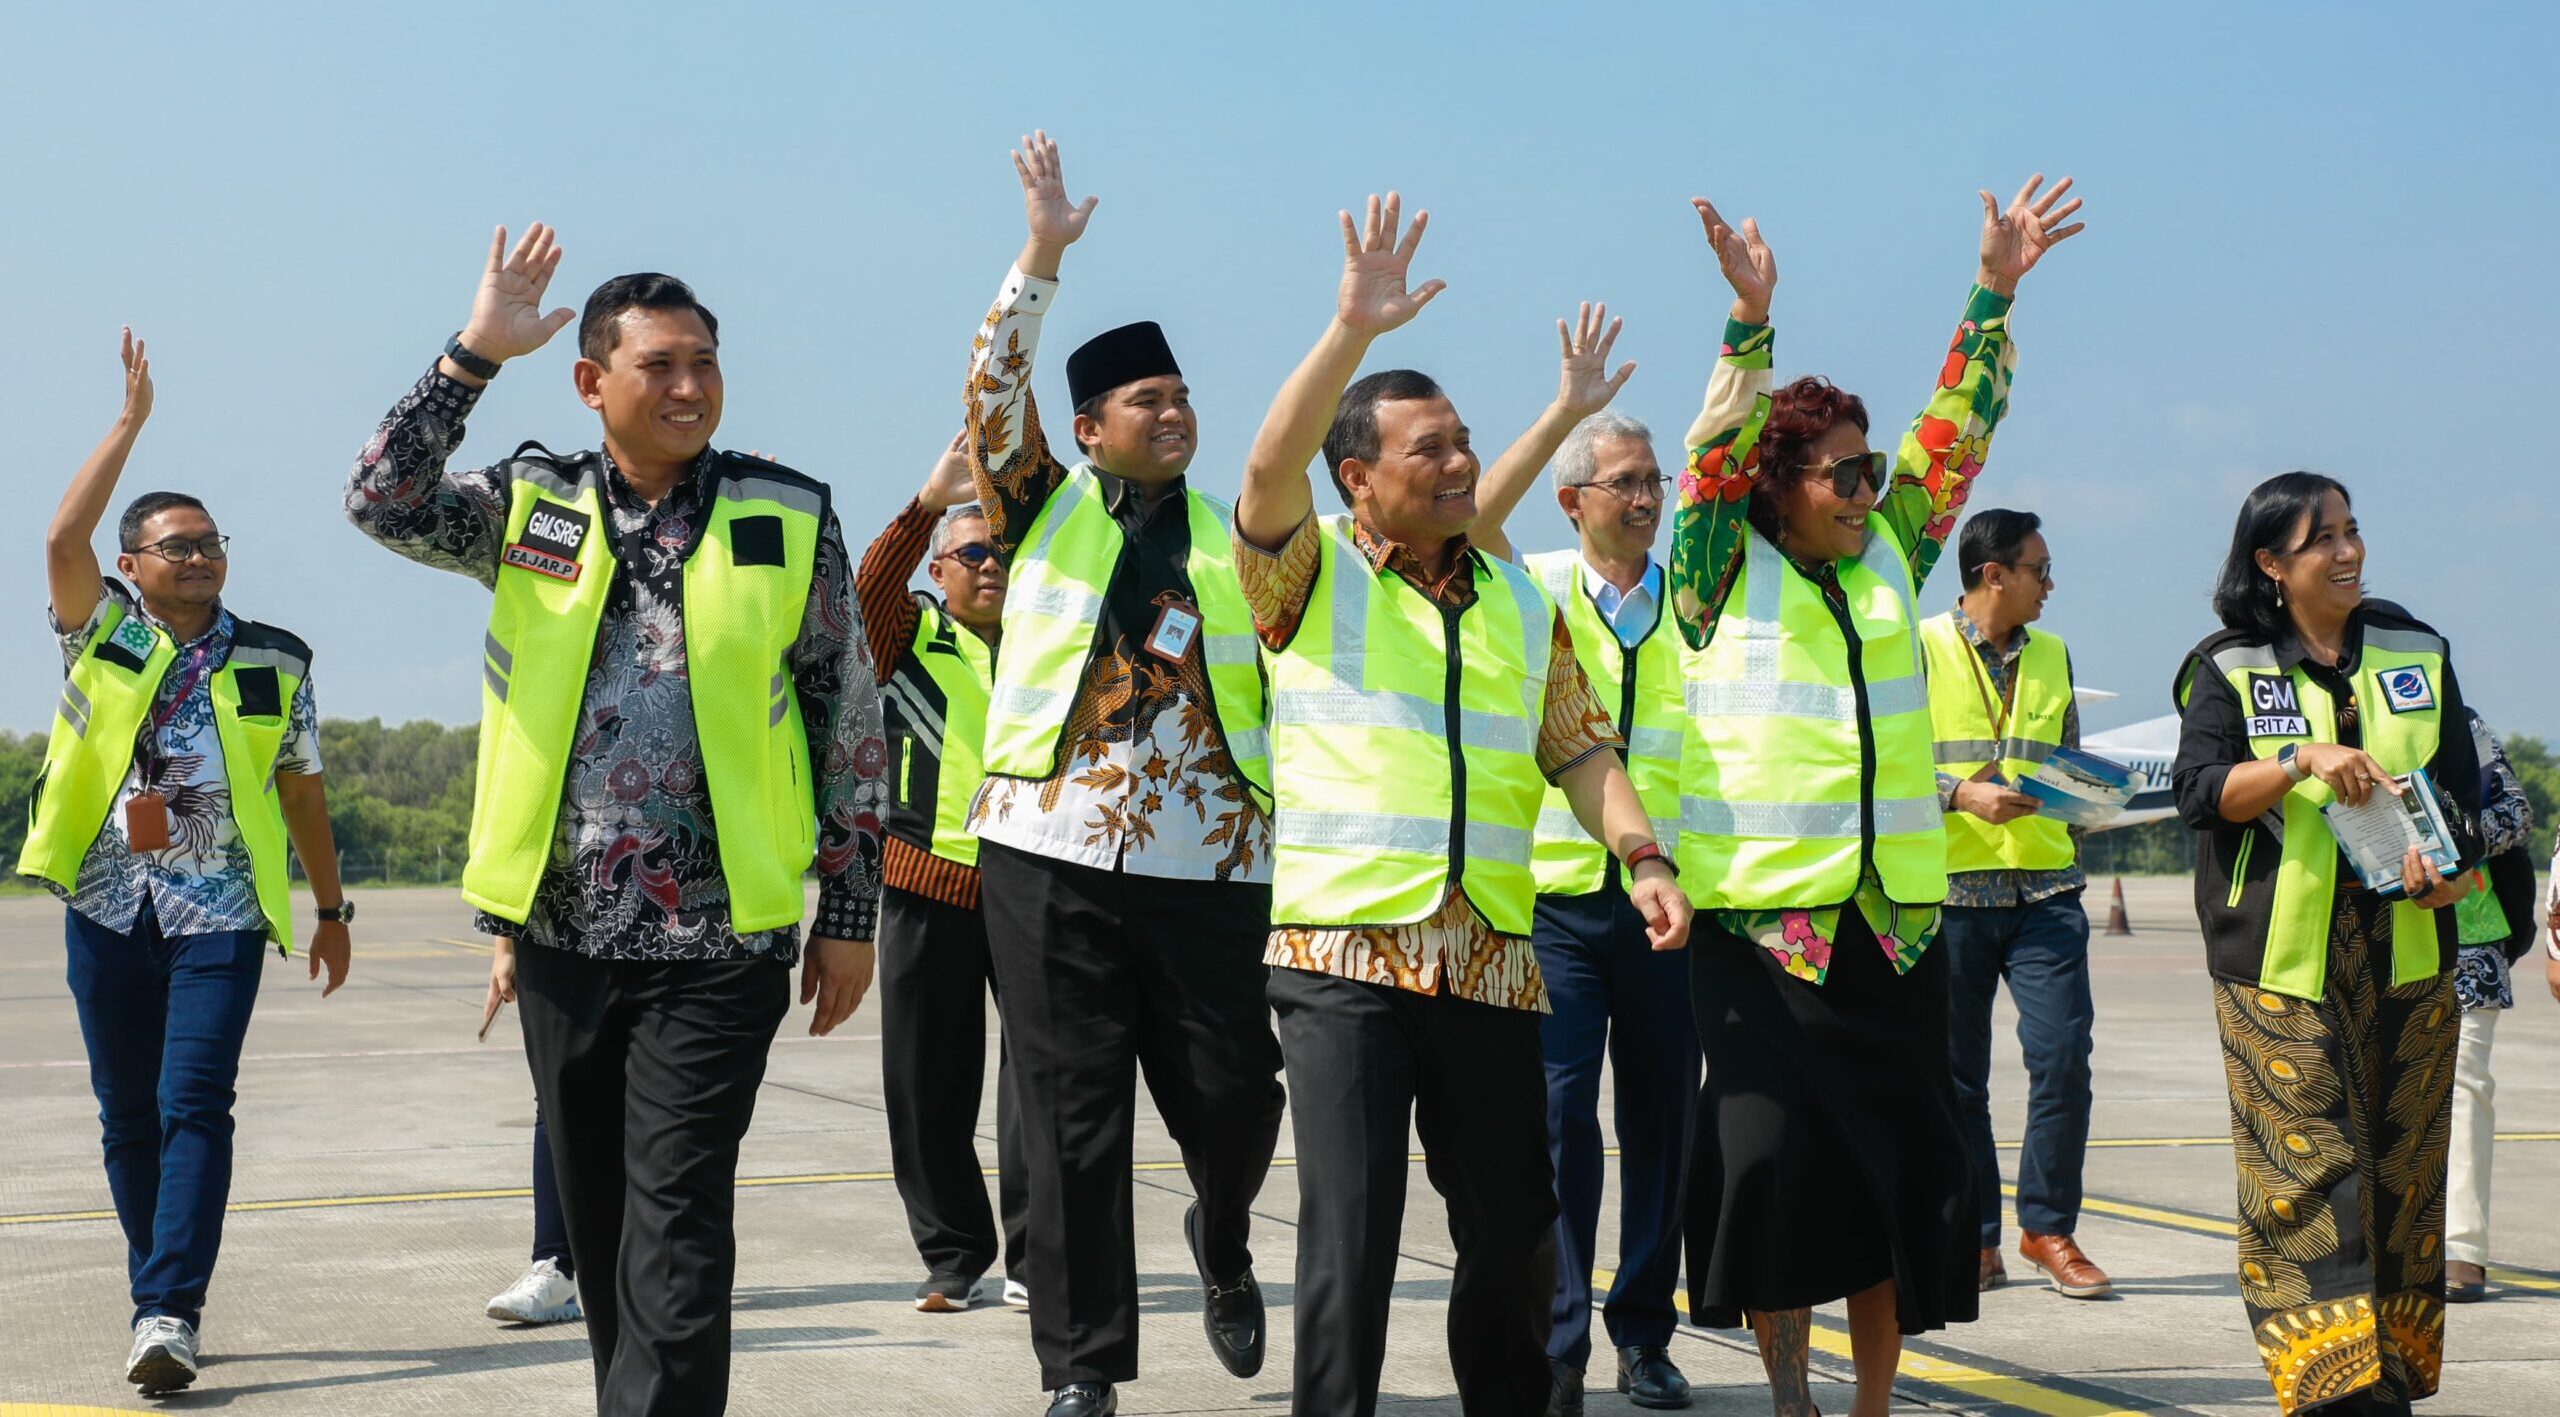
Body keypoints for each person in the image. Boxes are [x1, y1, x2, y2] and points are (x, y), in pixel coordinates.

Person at [347, 226, 888, 1417]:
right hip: (561, 931)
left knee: (678, 1218)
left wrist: (851, 914)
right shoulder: (532, 505)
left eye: (705, 362)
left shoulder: (784, 512)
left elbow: (845, 714)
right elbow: (380, 500)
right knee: (599, 1228)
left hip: (723, 936)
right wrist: (472, 356)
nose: (690, 386)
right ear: (592, 381)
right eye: (660, 366)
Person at [1233, 192, 1693, 1417]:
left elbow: (1579, 748)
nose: (1457, 465)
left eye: (1463, 444)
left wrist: (1642, 854)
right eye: (1427, 450)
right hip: (1344, 952)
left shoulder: (1518, 600)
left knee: (1516, 1229)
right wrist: (1347, 329)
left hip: (1490, 956)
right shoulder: (1305, 573)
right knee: (1354, 1233)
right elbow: (1265, 471)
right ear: (1357, 477)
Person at [1668, 178, 2084, 1417]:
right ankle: (1792, 1397)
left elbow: (1957, 429)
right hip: (1763, 935)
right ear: (1781, 482)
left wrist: (1993, 293)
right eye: (1841, 473)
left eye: (1869, 470)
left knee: (1895, 1182)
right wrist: (1749, 327)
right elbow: (1708, 462)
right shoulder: (1713, 568)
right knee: (1777, 1176)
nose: (1865, 490)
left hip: (1894, 929)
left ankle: (1871, 1407)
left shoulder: (1892, 550)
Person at [962, 133, 1286, 1417]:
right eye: (1146, 400)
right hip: (1048, 849)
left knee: (1237, 1098)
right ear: (1089, 428)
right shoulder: (1038, 502)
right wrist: (1041, 254)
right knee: (1071, 1117)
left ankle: (1223, 1232)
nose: (1174, 412)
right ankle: (1083, 1368)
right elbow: (993, 387)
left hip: (1212, 859)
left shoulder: (1245, 535)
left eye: (1183, 395)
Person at [24, 329, 353, 1397]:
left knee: (194, 1100)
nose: (202, 556)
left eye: (212, 542)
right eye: (178, 545)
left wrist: (332, 908)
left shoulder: (276, 658)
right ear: (132, 565)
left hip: (222, 909)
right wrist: (129, 425)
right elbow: (61, 536)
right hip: (107, 902)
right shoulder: (102, 633)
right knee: (127, 1113)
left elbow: (301, 788)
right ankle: (154, 1290)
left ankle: (170, 1306)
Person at [2171, 472, 2479, 1415]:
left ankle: (2390, 1377)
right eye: (2322, 540)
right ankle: (2332, 1389)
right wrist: (2298, 759)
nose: (2348, 552)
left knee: (2403, 1166)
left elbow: (2464, 797)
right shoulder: (2227, 666)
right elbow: (2199, 792)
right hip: (2277, 955)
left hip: (2409, 944)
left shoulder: (2416, 649)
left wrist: (2452, 868)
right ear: (2271, 562)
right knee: (2306, 1170)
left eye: (2351, 531)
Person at [1468, 312, 1700, 1413]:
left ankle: (1643, 1331)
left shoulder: (1694, 602)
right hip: (1559, 902)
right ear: (1572, 500)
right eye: (1625, 481)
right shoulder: (1538, 584)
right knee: (1561, 1126)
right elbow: (1473, 517)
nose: (1647, 497)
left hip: (1668, 902)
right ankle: (1558, 1341)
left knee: (1663, 1122)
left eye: (1654, 479)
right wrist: (1564, 406)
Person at [855, 432, 1030, 1312]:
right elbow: (865, 593)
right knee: (926, 1085)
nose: (990, 565)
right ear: (938, 567)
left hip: (1035, 888)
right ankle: (955, 1255)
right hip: (928, 886)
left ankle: (1036, 1256)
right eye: (972, 553)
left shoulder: (1045, 644)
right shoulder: (908, 637)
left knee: (1042, 1081)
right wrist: (928, 502)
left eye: (1001, 551)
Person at [1920, 508, 2109, 1299]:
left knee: (2063, 1058)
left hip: (2046, 888)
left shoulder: (2055, 653)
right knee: (1956, 1078)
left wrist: (2086, 793)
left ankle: (2047, 1227)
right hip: (1953, 891)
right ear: (1993, 574)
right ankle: (1975, 1237)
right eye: (2039, 569)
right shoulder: (1918, 648)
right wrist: (1960, 793)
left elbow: (2065, 756)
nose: (2050, 584)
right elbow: (1885, 760)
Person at [2442, 709, 2537, 1303]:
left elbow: (2516, 813)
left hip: (2467, 939)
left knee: (2464, 1088)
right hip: (2361, 938)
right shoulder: (2327, 714)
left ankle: (2461, 1248)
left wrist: (2445, 838)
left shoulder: (2463, 724)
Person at [481, 936, 582, 1326]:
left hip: (671, 942)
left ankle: (647, 1260)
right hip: (562, 932)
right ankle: (555, 1266)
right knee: (556, 1094)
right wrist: (505, 948)